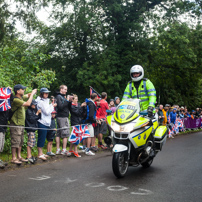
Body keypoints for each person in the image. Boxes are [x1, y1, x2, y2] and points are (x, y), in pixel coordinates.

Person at [10, 84, 37, 164]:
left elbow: (26, 96)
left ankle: (19, 156)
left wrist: (29, 94)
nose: (24, 90)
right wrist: (32, 94)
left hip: (21, 124)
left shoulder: (20, 98)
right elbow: (28, 104)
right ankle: (13, 158)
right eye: (22, 89)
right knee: (15, 141)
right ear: (18, 91)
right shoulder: (16, 100)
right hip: (15, 124)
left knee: (20, 141)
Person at [36, 88, 56, 161]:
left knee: (44, 138)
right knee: (41, 138)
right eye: (45, 93)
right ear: (42, 93)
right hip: (42, 122)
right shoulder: (40, 101)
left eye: (47, 93)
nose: (47, 94)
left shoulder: (46, 101)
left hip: (46, 122)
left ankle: (41, 153)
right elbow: (47, 112)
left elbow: (48, 110)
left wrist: (51, 105)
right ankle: (39, 154)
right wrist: (52, 106)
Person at [55, 85, 72, 156]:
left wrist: (70, 101)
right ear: (61, 89)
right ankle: (63, 149)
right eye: (65, 89)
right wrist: (67, 100)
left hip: (62, 117)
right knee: (65, 133)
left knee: (59, 133)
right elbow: (61, 107)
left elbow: (68, 107)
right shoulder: (59, 97)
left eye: (66, 89)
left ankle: (58, 149)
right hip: (62, 117)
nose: (66, 91)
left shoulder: (63, 97)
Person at [0, 87, 13, 168]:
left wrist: (10, 93)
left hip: (4, 127)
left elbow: (11, 101)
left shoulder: (6, 106)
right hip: (0, 127)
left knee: (1, 145)